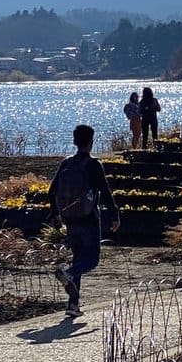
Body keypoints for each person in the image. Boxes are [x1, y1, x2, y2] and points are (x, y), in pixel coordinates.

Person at [47, 124, 119, 317]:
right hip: (89, 218)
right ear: (91, 142)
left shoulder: (67, 163)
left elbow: (51, 191)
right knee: (91, 260)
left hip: (70, 219)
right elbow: (105, 191)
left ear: (74, 141)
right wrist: (115, 215)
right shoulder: (93, 164)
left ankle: (73, 304)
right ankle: (68, 274)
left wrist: (55, 213)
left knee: (78, 258)